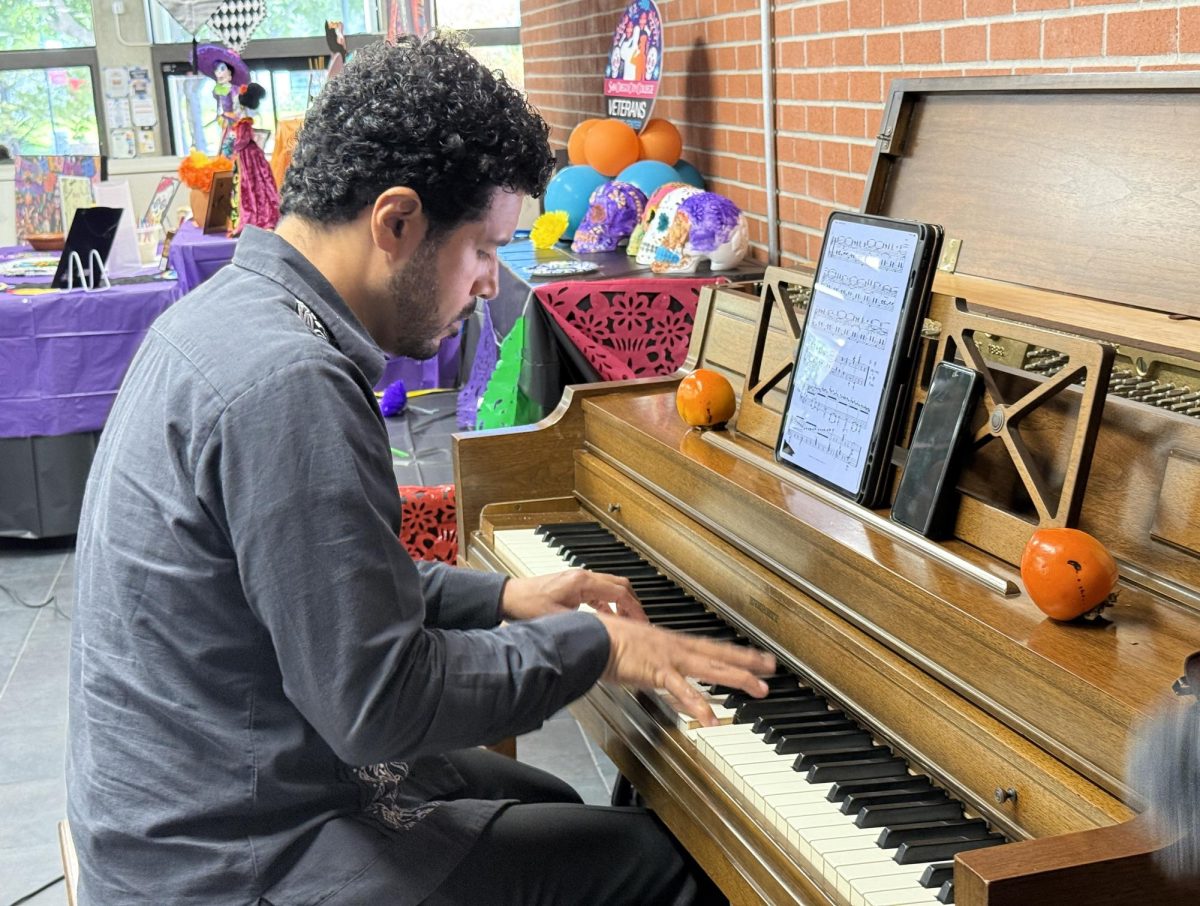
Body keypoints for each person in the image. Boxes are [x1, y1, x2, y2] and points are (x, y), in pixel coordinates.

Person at [66, 33, 774, 906]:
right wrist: (594, 645)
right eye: (483, 249)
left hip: (207, 801)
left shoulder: (231, 315)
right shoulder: (291, 384)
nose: (489, 284)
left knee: (550, 800)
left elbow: (325, 583)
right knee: (664, 871)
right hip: (227, 861)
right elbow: (377, 705)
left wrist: (503, 598)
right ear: (397, 222)